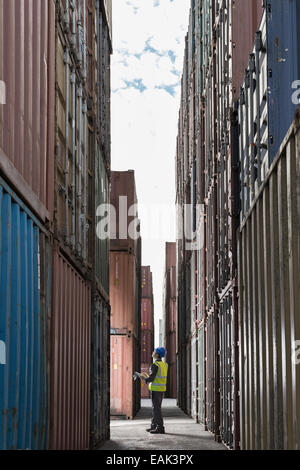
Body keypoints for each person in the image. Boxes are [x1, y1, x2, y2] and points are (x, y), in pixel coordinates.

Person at [141, 347, 168, 434]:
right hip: (161, 389)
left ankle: (160, 427)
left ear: (157, 354)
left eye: (154, 351)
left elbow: (151, 378)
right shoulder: (164, 365)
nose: (153, 352)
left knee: (156, 409)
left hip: (155, 389)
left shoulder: (155, 365)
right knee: (156, 408)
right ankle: (154, 425)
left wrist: (144, 378)